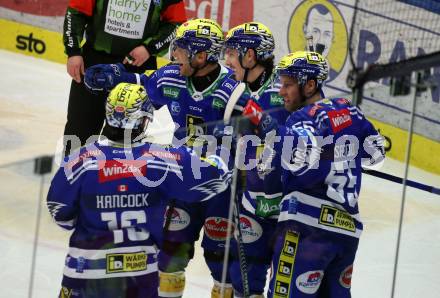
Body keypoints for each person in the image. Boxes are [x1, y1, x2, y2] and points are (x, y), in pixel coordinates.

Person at [84, 18, 240, 298]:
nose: (173, 54)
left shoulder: (234, 89)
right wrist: (114, 75)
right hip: (182, 183)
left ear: (202, 56)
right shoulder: (171, 76)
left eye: (180, 48)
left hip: (223, 190)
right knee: (169, 258)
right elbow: (142, 84)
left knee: (224, 267)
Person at [47, 82, 230, 298]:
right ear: (144, 120)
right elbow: (216, 180)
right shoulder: (160, 160)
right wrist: (218, 155)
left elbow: (60, 214)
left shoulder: (80, 160)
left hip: (83, 275)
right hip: (138, 279)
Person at [247, 51, 385, 297]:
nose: (281, 92)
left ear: (310, 85)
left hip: (306, 229)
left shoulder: (302, 119)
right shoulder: (349, 110)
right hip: (347, 231)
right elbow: (377, 156)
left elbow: (300, 157)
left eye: (288, 85)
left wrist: (274, 133)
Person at [220, 22, 290, 297]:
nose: (227, 60)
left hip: (280, 207)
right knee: (244, 281)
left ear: (250, 56)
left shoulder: (280, 94)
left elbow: (290, 145)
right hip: (253, 202)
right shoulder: (249, 92)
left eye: (231, 53)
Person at [62, 0, 186, 154]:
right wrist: (73, 51)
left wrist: (149, 47)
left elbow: (177, 24)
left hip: (137, 65)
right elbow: (76, 12)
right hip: (94, 62)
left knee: (126, 134)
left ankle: (119, 176)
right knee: (80, 126)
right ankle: (72, 174)